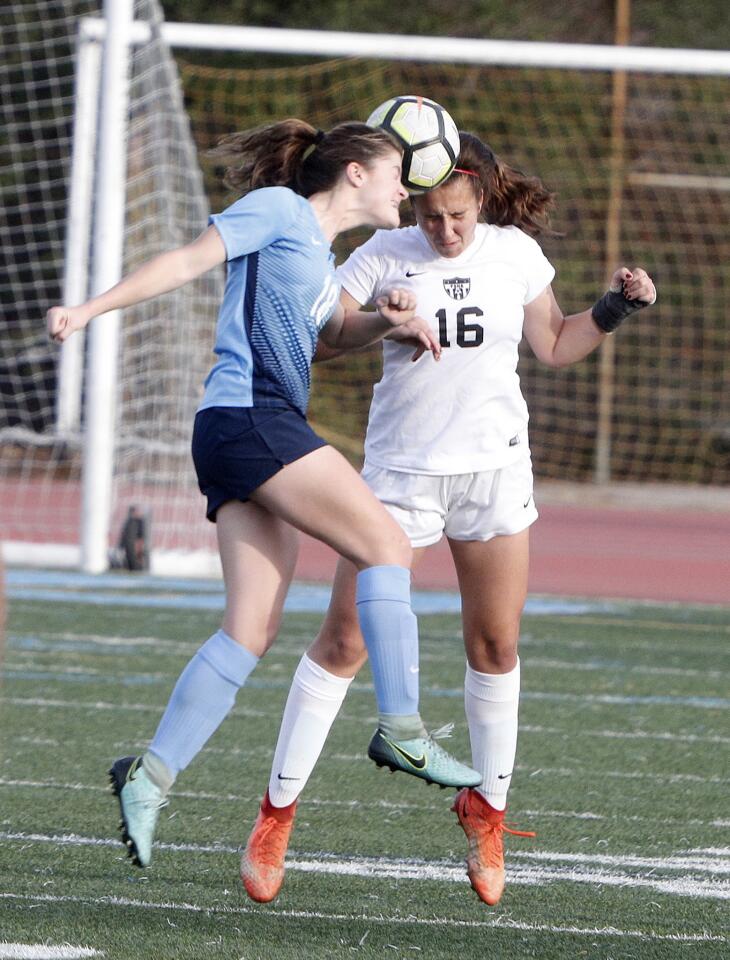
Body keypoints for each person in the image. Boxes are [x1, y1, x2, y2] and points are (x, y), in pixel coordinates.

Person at [46, 119, 483, 870]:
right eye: (394, 177)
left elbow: (330, 333)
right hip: (251, 418)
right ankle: (403, 727)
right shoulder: (281, 209)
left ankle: (148, 776)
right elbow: (188, 260)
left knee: (251, 627)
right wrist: (88, 311)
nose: (404, 191)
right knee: (383, 543)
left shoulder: (319, 252)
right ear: (353, 173)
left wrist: (388, 323)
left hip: (237, 428)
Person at [242, 131, 657, 905]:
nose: (446, 231)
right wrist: (380, 321)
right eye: (431, 217)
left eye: (458, 216)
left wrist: (616, 306)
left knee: (495, 644)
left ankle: (487, 814)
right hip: (401, 478)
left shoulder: (512, 253)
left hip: (494, 472)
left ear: (482, 200)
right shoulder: (381, 251)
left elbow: (558, 344)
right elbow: (319, 337)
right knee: (342, 642)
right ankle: (275, 816)